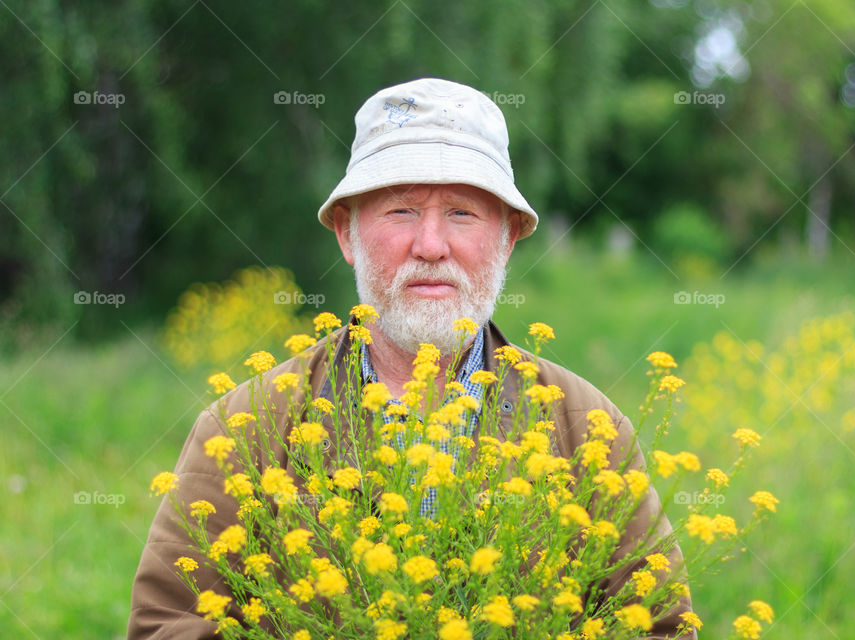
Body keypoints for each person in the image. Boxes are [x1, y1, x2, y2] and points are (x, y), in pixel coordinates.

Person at [127, 77, 696, 639]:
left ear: (508, 238)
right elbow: (167, 626)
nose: (430, 245)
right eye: (400, 211)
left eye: (461, 214)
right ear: (347, 233)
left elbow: (661, 628)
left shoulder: (587, 430)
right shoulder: (245, 429)